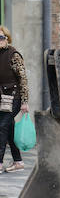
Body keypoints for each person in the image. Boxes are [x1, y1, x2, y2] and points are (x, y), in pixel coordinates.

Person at [0, 25, 28, 173]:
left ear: (7, 38)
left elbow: (23, 79)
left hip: (14, 97)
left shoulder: (14, 55)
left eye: (1, 37)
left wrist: (24, 102)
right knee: (9, 128)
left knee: (2, 126)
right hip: (2, 98)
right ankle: (18, 162)